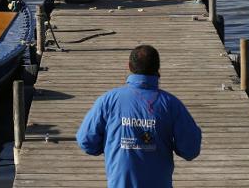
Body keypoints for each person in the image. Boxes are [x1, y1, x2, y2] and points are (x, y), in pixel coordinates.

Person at [76, 45, 202, 188]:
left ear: (129, 66)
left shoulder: (108, 100)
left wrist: (110, 144)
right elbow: (191, 149)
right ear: (158, 69)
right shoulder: (172, 104)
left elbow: (86, 141)